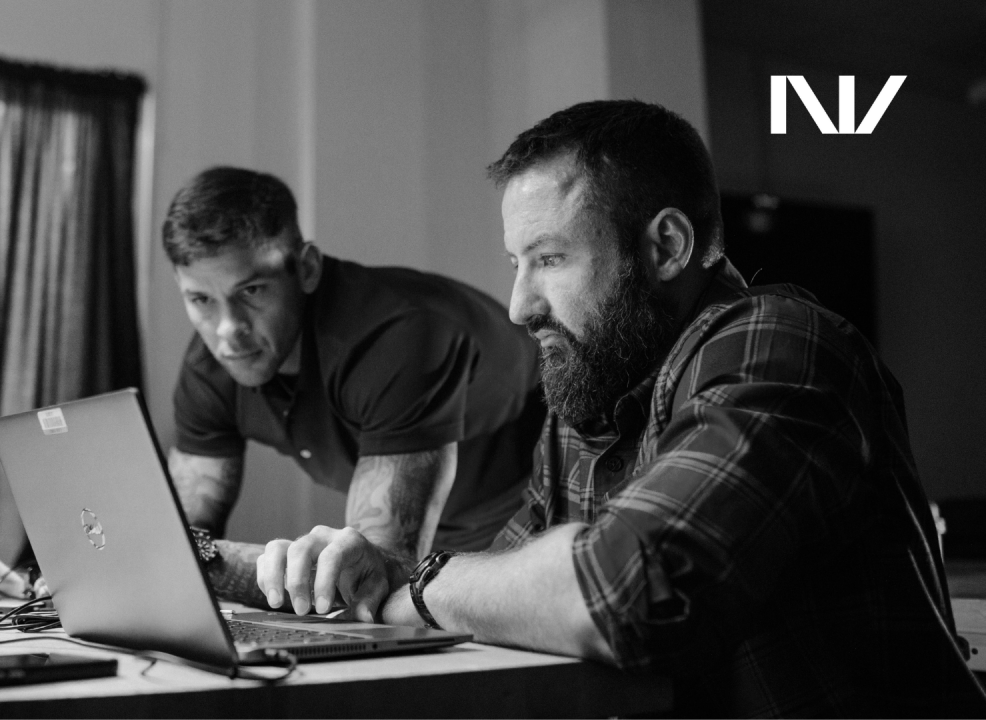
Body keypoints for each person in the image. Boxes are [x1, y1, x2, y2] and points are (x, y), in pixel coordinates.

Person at [256, 100, 986, 716]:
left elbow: (627, 594)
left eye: (550, 259)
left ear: (666, 246)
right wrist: (378, 577)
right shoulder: (591, 393)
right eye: (516, 264)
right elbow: (505, 589)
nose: (518, 307)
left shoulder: (782, 344)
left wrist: (414, 583)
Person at [164, 166, 546, 612]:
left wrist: (191, 558)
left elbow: (373, 579)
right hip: (435, 541)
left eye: (250, 291)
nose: (228, 330)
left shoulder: (395, 339)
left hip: (532, 515)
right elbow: (181, 538)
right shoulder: (212, 363)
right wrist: (182, 555)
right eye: (201, 300)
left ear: (307, 268)